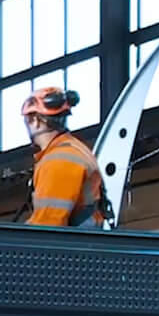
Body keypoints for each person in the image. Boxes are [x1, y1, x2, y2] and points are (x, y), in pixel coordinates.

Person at [21, 85, 105, 227]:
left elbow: (47, 225)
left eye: (28, 120)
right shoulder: (74, 149)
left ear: (35, 121)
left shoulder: (59, 160)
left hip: (75, 246)